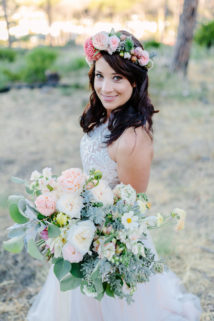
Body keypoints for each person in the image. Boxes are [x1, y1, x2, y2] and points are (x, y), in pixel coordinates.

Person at [27, 29, 202, 321]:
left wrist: (88, 231)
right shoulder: (107, 115)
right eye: (99, 76)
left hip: (109, 242)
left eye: (117, 78)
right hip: (84, 230)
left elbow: (131, 206)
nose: (106, 87)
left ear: (135, 79)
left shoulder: (133, 138)